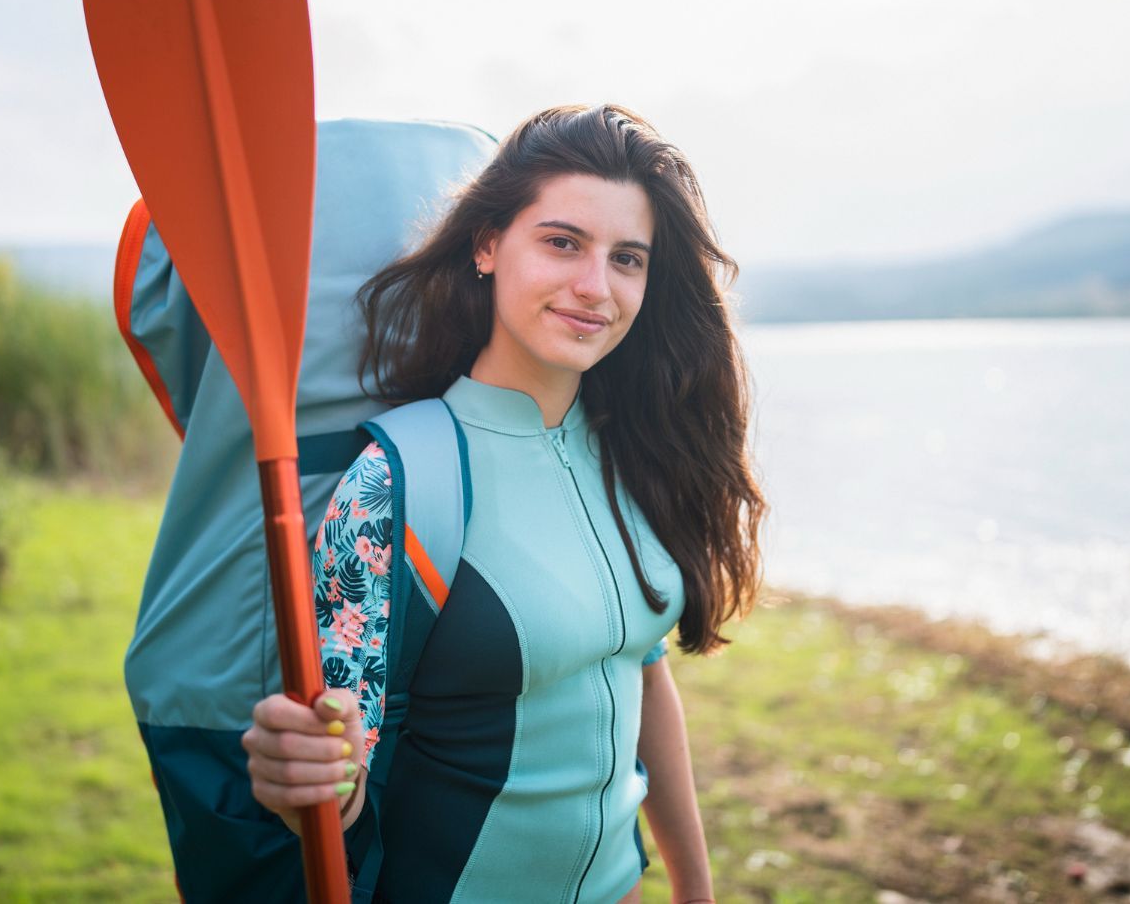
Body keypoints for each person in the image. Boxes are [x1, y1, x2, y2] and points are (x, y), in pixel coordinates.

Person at [241, 103, 766, 903]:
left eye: (627, 258)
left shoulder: (632, 448)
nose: (595, 287)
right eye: (561, 242)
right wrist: (302, 774)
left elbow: (639, 673)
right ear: (488, 244)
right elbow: (340, 768)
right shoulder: (399, 481)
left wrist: (695, 889)